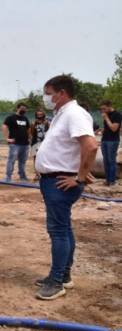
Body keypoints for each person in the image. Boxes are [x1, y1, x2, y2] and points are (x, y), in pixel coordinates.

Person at [34, 75, 98, 300]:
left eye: (49, 93)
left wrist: (79, 177)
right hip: (55, 179)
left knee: (58, 231)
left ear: (61, 93)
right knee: (64, 228)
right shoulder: (62, 114)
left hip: (60, 182)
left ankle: (57, 280)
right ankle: (64, 275)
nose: (46, 98)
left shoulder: (74, 113)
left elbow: (90, 146)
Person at [2, 103, 31, 182]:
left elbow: (28, 129)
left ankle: (22, 177)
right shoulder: (11, 117)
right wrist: (7, 138)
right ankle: (8, 177)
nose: (24, 110)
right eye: (22, 108)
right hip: (15, 144)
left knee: (22, 161)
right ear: (18, 108)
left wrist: (29, 138)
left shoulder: (25, 118)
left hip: (25, 144)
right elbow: (4, 126)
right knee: (12, 160)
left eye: (25, 109)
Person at [99, 100, 121, 186]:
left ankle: (112, 181)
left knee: (111, 160)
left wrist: (106, 119)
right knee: (105, 161)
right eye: (101, 109)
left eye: (104, 108)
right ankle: (107, 180)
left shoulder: (117, 115)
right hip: (104, 140)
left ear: (109, 106)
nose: (103, 111)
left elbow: (114, 129)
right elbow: (108, 127)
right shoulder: (106, 115)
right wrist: (102, 130)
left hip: (113, 141)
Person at [31, 109, 50, 181]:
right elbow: (31, 133)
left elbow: (49, 132)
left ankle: (45, 173)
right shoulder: (33, 123)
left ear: (43, 115)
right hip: (35, 143)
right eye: (38, 114)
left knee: (45, 158)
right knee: (35, 159)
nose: (39, 116)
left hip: (44, 144)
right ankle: (37, 174)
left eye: (41, 114)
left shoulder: (47, 123)